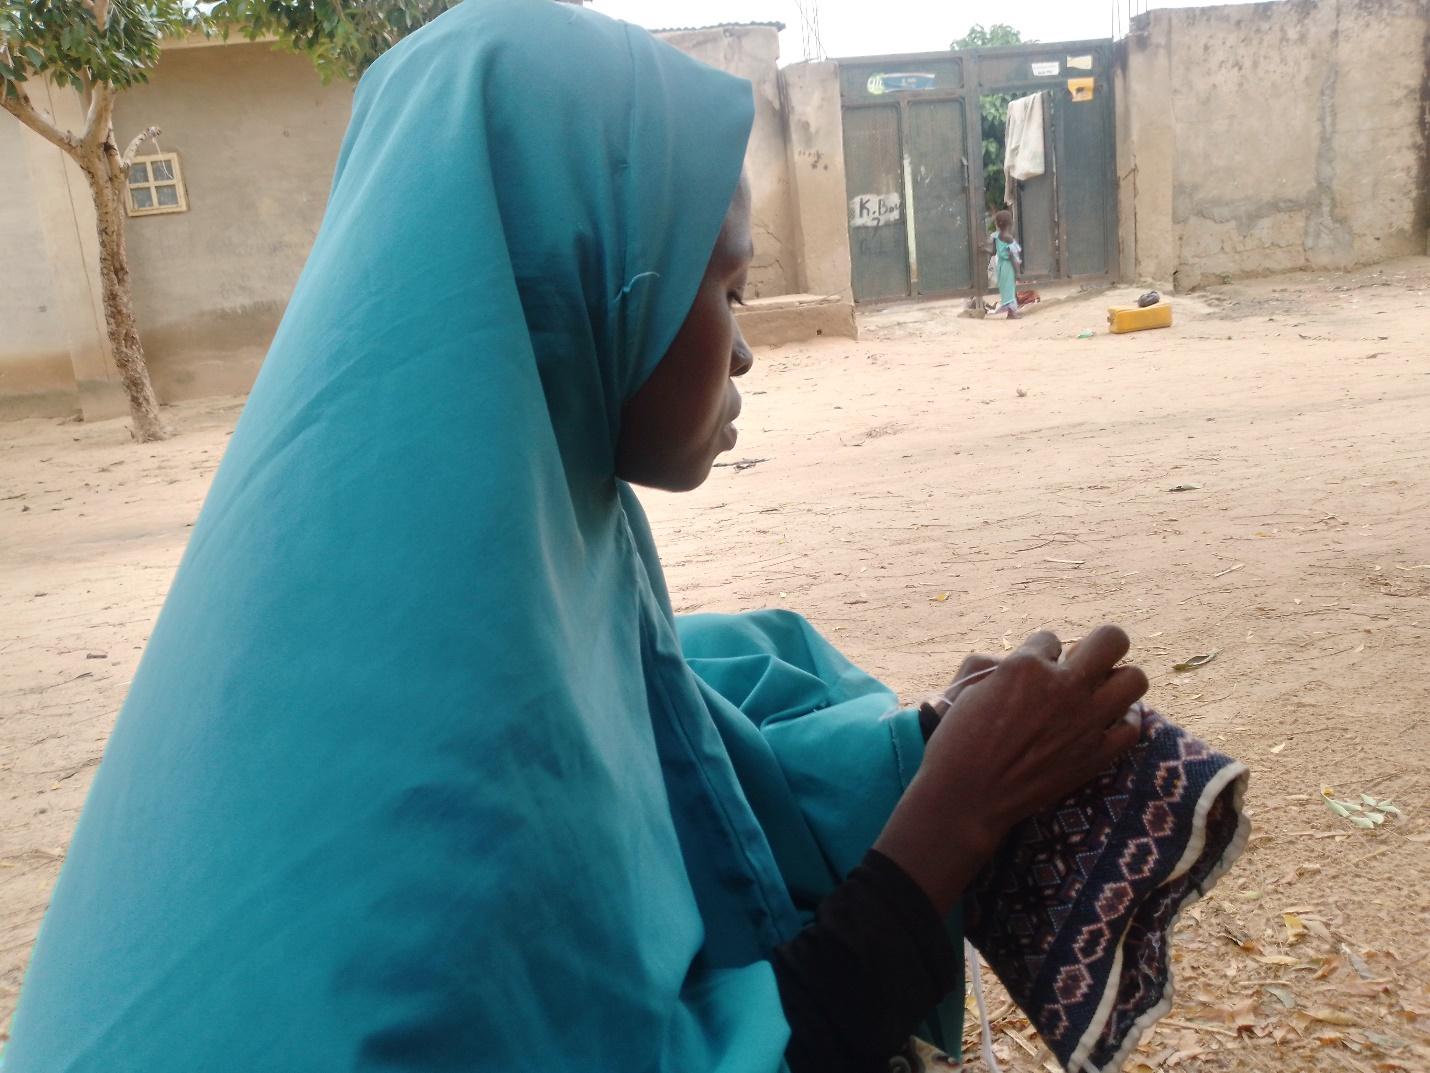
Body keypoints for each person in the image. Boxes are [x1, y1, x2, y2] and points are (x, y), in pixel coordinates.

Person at [0, 3, 1149, 1071]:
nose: (744, 353)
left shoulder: (422, 543)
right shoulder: (445, 775)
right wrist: (960, 808)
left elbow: (665, 749)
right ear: (588, 287)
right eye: (728, 292)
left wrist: (922, 743)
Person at [990, 209, 1024, 319]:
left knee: (1005, 289)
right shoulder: (1008, 238)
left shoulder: (996, 236)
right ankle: (1012, 313)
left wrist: (983, 248)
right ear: (1010, 223)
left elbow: (993, 252)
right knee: (1010, 289)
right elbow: (1013, 256)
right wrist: (1017, 272)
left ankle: (1011, 312)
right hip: (1009, 266)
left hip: (1000, 266)